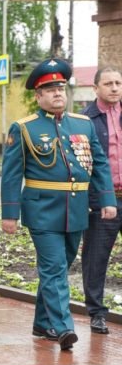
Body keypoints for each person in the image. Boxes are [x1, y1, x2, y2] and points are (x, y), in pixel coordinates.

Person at [2, 58, 116, 351]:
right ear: (38, 96)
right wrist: (9, 214)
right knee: (53, 269)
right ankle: (64, 327)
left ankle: (42, 323)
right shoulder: (24, 128)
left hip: (76, 210)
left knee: (60, 267)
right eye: (49, 89)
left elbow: (100, 163)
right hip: (41, 211)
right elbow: (11, 175)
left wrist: (106, 199)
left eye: (60, 88)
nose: (57, 94)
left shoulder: (83, 124)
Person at [81, 66, 122, 335]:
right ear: (95, 88)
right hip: (101, 200)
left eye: (118, 82)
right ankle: (96, 313)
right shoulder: (84, 119)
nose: (115, 87)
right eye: (108, 83)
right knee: (96, 258)